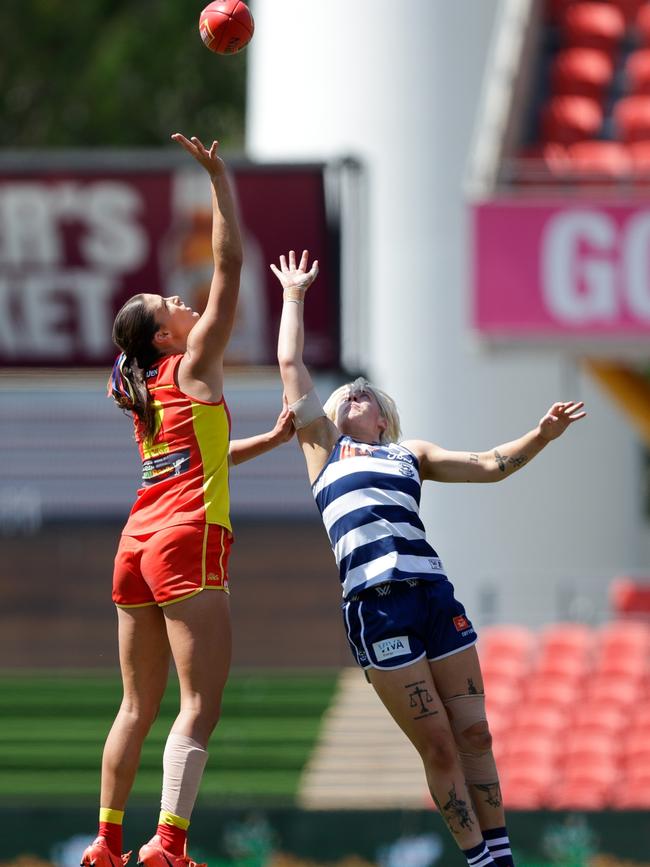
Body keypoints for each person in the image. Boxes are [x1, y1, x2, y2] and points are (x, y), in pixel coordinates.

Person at [272, 249, 586, 867]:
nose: (352, 397)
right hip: (377, 607)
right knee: (439, 746)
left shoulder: (408, 453)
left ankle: (501, 856)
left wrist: (541, 437)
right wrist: (294, 294)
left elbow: (490, 466)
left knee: (476, 735)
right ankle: (477, 857)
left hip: (433, 595)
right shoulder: (324, 452)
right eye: (345, 397)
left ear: (385, 415)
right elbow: (290, 362)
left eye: (365, 396)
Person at [81, 135, 294, 867]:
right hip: (184, 539)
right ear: (164, 334)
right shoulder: (193, 361)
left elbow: (199, 460)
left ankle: (106, 843)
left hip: (134, 544)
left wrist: (267, 440)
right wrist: (218, 179)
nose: (180, 297)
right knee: (199, 702)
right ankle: (168, 844)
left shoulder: (146, 397)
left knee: (135, 706)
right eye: (167, 303)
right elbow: (231, 265)